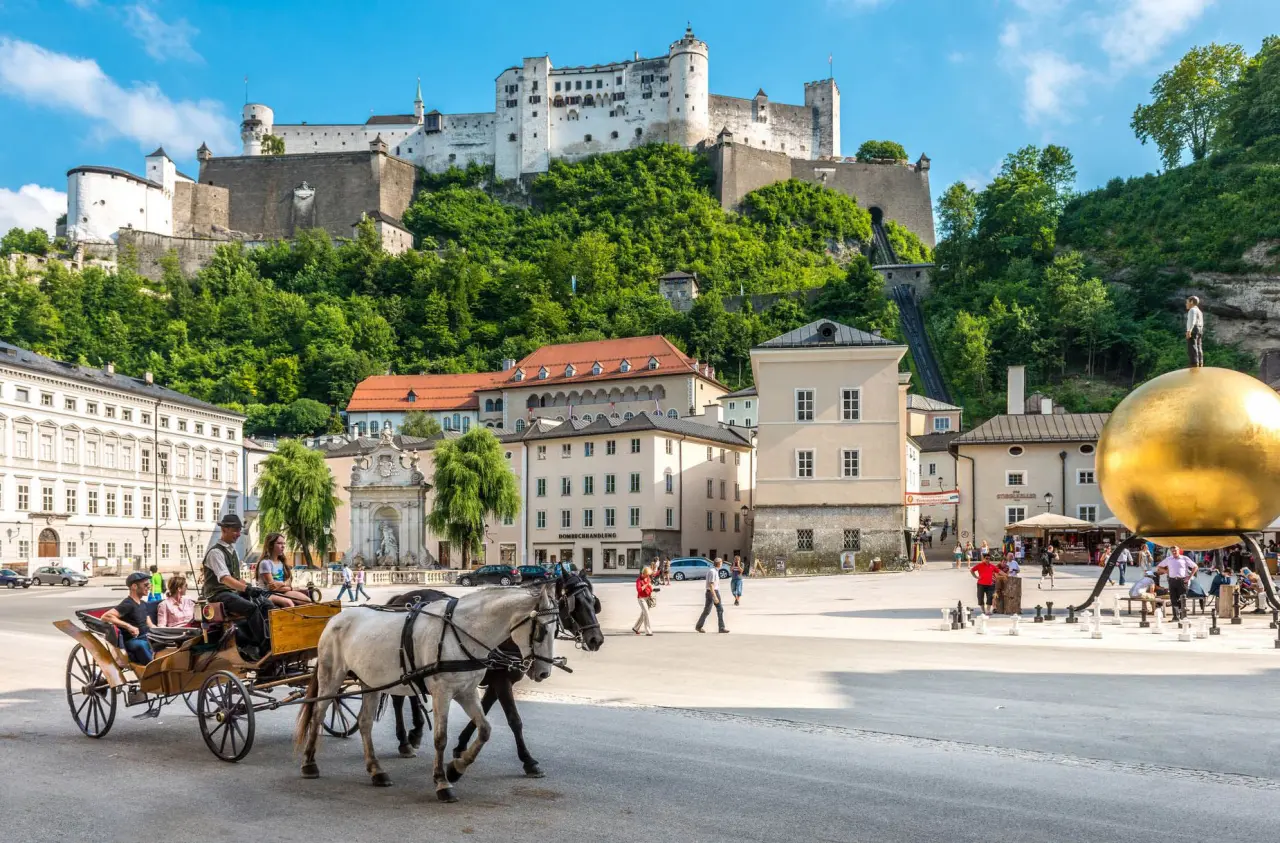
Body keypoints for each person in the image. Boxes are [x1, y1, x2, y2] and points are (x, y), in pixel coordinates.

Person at [200, 514, 271, 658]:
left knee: (265, 604)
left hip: (231, 592)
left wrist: (252, 587)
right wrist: (246, 589)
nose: (239, 534)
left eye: (239, 530)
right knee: (250, 608)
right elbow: (225, 579)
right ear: (224, 529)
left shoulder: (232, 551)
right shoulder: (215, 552)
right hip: (218, 594)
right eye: (235, 530)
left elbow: (236, 578)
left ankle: (263, 638)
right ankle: (265, 646)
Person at [103, 572, 157, 663]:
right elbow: (106, 616)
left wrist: (164, 632)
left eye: (149, 584)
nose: (149, 587)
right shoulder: (128, 604)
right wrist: (129, 626)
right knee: (142, 645)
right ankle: (152, 669)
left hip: (146, 636)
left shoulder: (143, 604)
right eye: (146, 584)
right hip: (132, 640)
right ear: (134, 586)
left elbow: (150, 624)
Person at [256, 532, 312, 608]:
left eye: (284, 544)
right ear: (271, 545)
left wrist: (283, 585)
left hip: (282, 591)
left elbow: (287, 583)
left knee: (307, 600)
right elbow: (272, 587)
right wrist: (286, 585)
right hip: (267, 593)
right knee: (289, 603)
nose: (283, 546)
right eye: (279, 543)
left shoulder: (282, 563)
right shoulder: (265, 563)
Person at [1157, 545, 1198, 621]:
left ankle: (1183, 616)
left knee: (1182, 599)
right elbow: (1159, 566)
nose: (1174, 552)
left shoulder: (1184, 558)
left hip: (1182, 580)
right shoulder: (1169, 559)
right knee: (1173, 599)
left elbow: (1195, 566)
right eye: (1172, 551)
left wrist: (1189, 577)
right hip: (1172, 580)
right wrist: (1166, 571)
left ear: (1179, 550)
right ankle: (1175, 617)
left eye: (1175, 550)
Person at [696, 558, 728, 634]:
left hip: (713, 591)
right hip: (712, 592)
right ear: (719, 564)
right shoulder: (712, 572)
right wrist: (715, 596)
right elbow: (711, 585)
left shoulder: (715, 571)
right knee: (716, 609)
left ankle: (699, 626)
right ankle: (721, 628)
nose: (722, 565)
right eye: (721, 563)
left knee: (710, 610)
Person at [633, 565, 655, 636]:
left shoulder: (648, 578)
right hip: (641, 598)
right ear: (644, 573)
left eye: (649, 575)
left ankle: (635, 628)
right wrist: (646, 585)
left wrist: (651, 590)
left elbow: (650, 587)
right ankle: (648, 631)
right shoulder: (639, 580)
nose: (648, 576)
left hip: (648, 597)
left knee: (643, 614)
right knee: (647, 613)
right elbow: (639, 590)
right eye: (647, 575)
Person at [1185, 295, 1204, 368]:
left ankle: (1194, 364)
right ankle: (1200, 363)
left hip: (1194, 329)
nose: (1186, 304)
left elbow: (1192, 321)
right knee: (1199, 347)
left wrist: (1189, 330)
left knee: (1192, 347)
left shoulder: (1192, 310)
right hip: (1199, 330)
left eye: (1187, 302)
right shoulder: (1199, 311)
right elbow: (1202, 323)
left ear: (1191, 302)